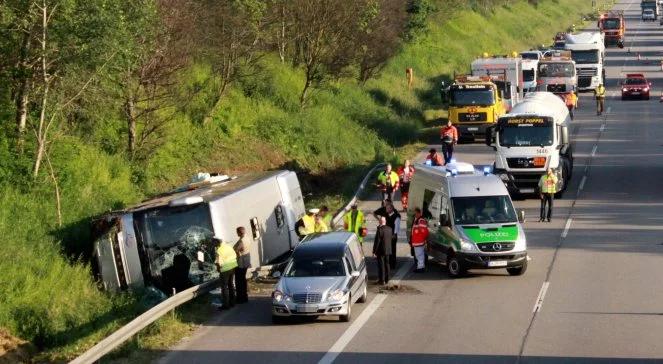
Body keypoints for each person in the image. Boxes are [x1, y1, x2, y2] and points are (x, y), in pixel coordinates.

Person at [374, 200, 401, 270]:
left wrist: (394, 234)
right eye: (386, 207)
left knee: (393, 249)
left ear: (391, 209)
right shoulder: (386, 214)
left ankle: (393, 264)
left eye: (387, 208)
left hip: (392, 235)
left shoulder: (396, 216)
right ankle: (388, 264)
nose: (386, 209)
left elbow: (397, 226)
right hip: (387, 235)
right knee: (387, 249)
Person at [214, 237, 238, 310]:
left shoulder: (219, 250)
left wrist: (218, 269)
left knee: (224, 287)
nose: (213, 244)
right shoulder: (228, 246)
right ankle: (233, 302)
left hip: (225, 269)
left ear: (217, 243)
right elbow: (235, 255)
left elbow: (218, 262)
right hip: (233, 267)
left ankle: (226, 305)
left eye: (214, 243)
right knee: (231, 285)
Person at [233, 227, 252, 304]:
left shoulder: (242, 241)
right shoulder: (247, 237)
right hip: (247, 261)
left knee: (239, 281)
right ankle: (245, 296)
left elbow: (236, 250)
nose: (236, 233)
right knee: (243, 279)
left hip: (241, 262)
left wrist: (237, 254)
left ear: (239, 233)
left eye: (237, 232)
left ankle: (240, 298)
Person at [373, 216, 393, 285]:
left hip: (381, 251)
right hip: (388, 250)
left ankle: (382, 280)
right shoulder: (390, 229)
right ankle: (387, 279)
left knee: (381, 265)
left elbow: (377, 242)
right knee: (387, 264)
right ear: (385, 221)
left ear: (380, 222)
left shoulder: (380, 230)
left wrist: (374, 252)